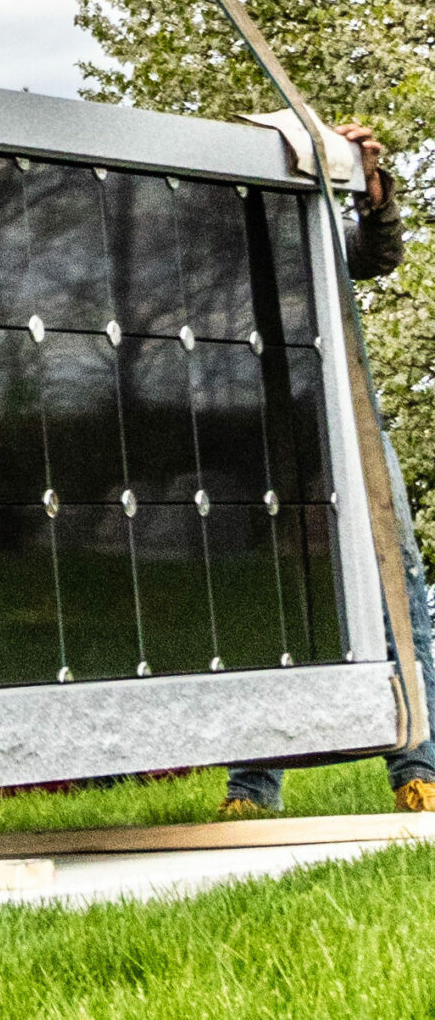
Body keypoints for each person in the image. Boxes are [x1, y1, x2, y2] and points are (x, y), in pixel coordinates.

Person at [222, 121, 434, 817]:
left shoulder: (313, 236)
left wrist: (372, 192)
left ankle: (419, 771)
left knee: (394, 592)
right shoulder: (217, 240)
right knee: (263, 605)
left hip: (348, 430)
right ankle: (251, 790)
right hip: (261, 440)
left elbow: (378, 253)